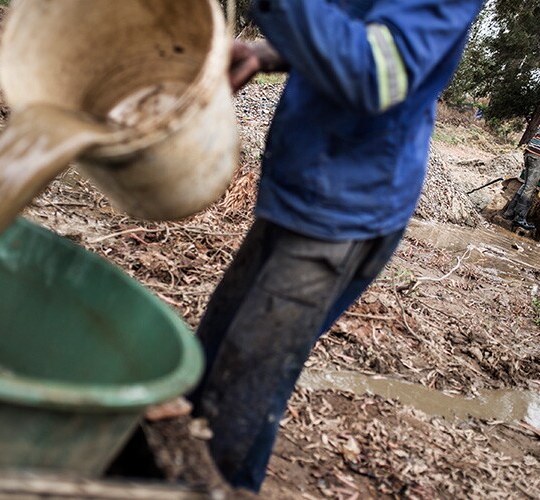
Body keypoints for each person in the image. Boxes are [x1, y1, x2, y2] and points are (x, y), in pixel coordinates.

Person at [188, 0, 483, 492]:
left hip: (342, 212)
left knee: (238, 398)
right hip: (302, 180)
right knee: (214, 363)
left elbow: (376, 72)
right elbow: (345, 26)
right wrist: (271, 53)